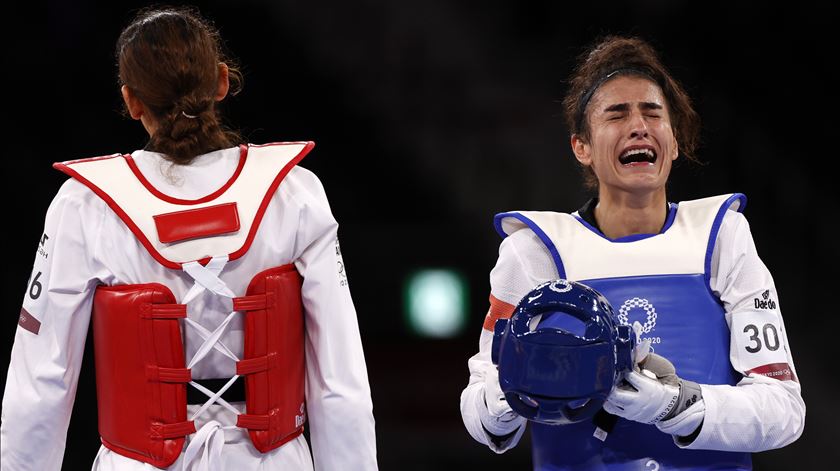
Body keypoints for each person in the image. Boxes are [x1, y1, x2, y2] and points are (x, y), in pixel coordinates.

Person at [1, 6, 377, 471]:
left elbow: (41, 380)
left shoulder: (85, 205)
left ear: (132, 101)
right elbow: (340, 378)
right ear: (221, 81)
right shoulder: (293, 193)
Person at [460, 35, 805, 470]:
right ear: (581, 147)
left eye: (652, 112)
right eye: (617, 113)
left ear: (674, 143)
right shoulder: (535, 250)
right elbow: (481, 412)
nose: (639, 125)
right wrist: (511, 390)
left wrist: (675, 405)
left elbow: (784, 410)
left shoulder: (722, 236)